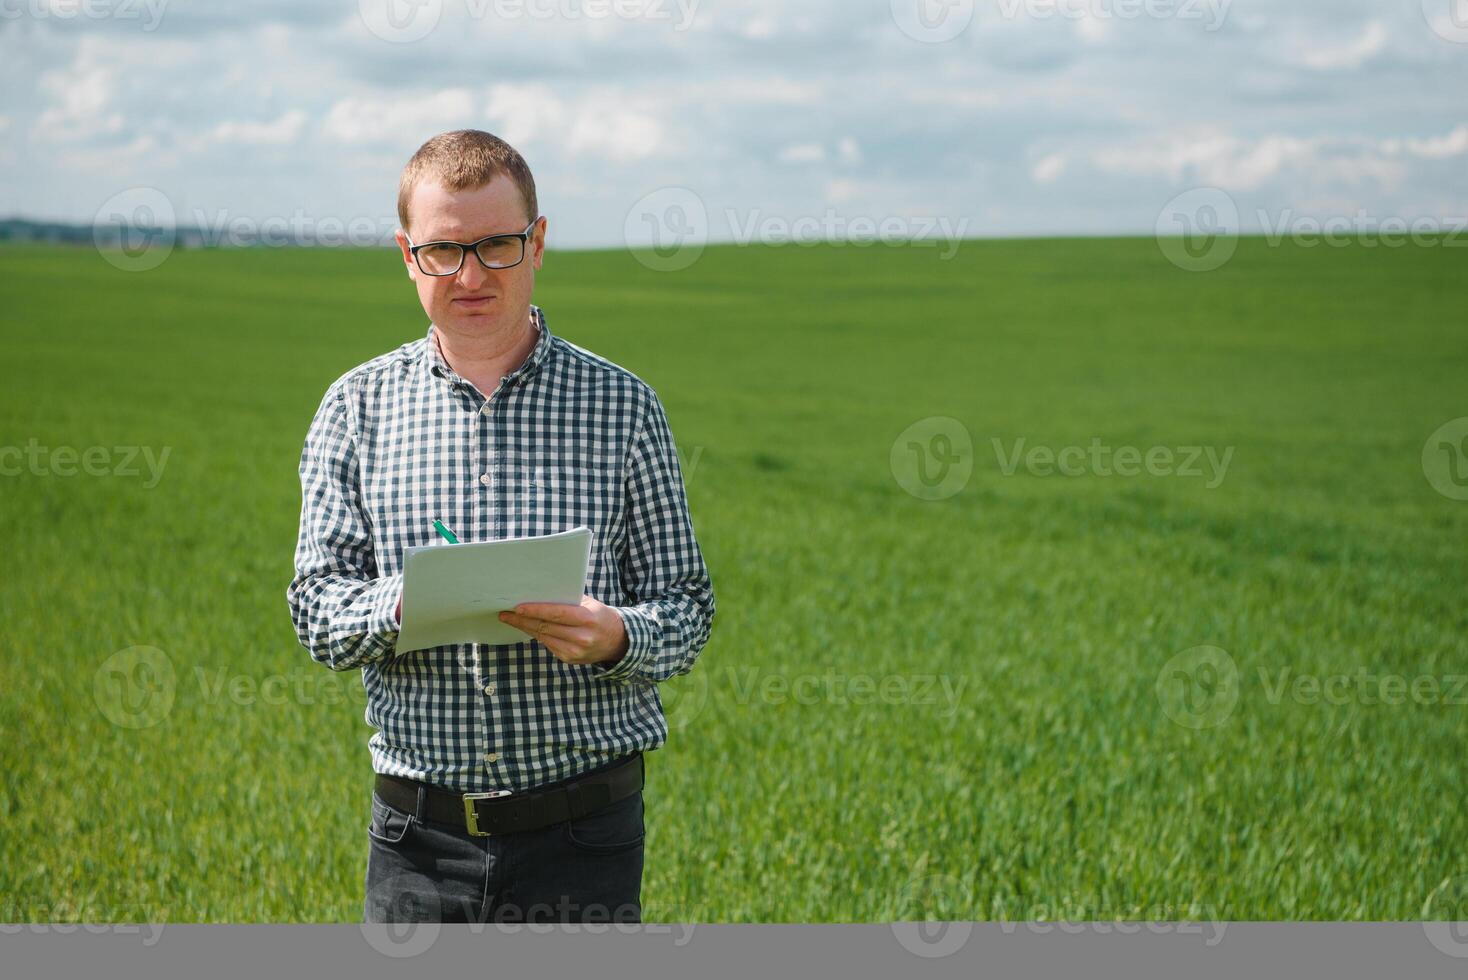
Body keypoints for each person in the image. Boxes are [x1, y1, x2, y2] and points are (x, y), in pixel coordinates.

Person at [285, 129, 716, 924]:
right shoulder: (355, 410)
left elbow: (688, 608)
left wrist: (617, 636)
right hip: (418, 839)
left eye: (497, 245)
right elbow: (316, 611)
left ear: (539, 242)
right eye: (444, 250)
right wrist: (407, 605)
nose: (472, 274)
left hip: (584, 837)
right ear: (407, 255)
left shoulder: (624, 408)